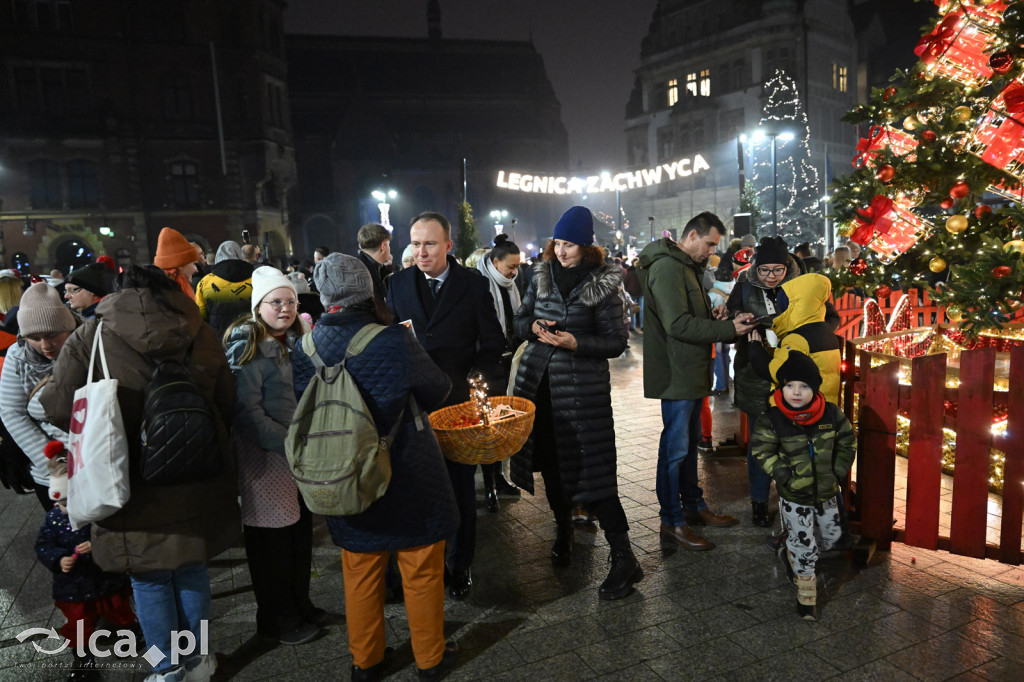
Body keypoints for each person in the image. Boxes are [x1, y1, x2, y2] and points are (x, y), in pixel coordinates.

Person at [40, 265, 240, 682]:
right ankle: (200, 661)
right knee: (190, 569)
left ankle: (167, 669)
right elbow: (225, 399)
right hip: (196, 474)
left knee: (149, 580)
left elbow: (59, 408)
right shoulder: (200, 331)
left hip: (129, 480)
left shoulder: (92, 335)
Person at [291, 252, 461, 680]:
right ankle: (430, 659)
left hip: (344, 473)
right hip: (408, 469)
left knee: (361, 569)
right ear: (367, 292)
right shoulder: (392, 339)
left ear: (325, 294)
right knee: (420, 566)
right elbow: (439, 389)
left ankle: (365, 662)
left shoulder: (305, 346)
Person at [510, 206, 641, 600]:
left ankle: (623, 557)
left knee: (595, 473)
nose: (563, 251)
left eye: (571, 244)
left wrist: (576, 342)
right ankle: (563, 529)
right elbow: (519, 321)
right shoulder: (541, 274)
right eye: (559, 243)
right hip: (540, 387)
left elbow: (617, 342)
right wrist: (533, 327)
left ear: (587, 247)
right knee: (550, 464)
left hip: (583, 393)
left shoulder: (604, 284)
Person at [386, 211, 504, 600]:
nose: (421, 252)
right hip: (414, 405)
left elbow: (492, 341)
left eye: (430, 244)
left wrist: (475, 382)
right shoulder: (397, 284)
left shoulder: (472, 285)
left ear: (448, 246)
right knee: (419, 488)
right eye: (416, 243)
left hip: (457, 404)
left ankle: (461, 562)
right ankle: (427, 563)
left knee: (459, 488)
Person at [637, 211, 757, 551]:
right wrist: (729, 328)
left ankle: (693, 506)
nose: (711, 252)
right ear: (691, 236)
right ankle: (671, 520)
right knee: (674, 451)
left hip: (690, 371)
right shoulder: (667, 268)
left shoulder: (686, 267)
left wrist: (716, 315)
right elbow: (677, 325)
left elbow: (688, 316)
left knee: (688, 447)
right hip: (677, 374)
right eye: (709, 244)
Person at [222, 266, 326, 646]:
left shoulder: (295, 341)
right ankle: (277, 618)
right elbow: (248, 412)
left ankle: (301, 605)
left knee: (298, 535)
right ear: (258, 306)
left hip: (295, 455)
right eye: (275, 302)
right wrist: (289, 443)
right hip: (266, 460)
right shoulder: (248, 347)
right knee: (272, 546)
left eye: (290, 301)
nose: (284, 308)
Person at [751, 351, 855, 620]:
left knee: (829, 539)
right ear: (781, 388)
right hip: (795, 494)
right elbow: (763, 450)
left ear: (815, 389)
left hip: (828, 492)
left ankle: (787, 551)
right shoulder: (772, 419)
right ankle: (806, 595)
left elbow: (847, 442)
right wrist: (784, 476)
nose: (796, 392)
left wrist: (837, 471)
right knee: (804, 542)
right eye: (789, 385)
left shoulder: (831, 414)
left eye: (804, 386)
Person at [35, 441, 138, 681]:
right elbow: (43, 545)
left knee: (119, 610)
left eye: (71, 501)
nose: (67, 508)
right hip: (73, 586)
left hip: (104, 578)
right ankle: (84, 659)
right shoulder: (53, 520)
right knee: (79, 624)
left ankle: (130, 634)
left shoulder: (95, 513)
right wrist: (59, 559)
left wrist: (96, 545)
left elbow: (112, 534)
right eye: (61, 503)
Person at [727, 236, 803, 527]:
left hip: (792, 376)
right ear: (755, 268)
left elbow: (827, 318)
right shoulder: (744, 286)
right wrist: (739, 317)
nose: (770, 277)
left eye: (777, 270)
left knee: (791, 441)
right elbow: (731, 318)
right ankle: (759, 502)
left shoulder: (801, 286)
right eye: (764, 270)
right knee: (760, 443)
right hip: (754, 373)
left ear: (787, 268)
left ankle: (792, 500)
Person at [0, 283, 78, 510]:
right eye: (33, 337)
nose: (45, 346)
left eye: (52, 335)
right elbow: (12, 412)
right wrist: (52, 466)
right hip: (52, 474)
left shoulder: (90, 347)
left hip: (97, 465)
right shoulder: (17, 355)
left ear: (68, 328)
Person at [475, 234, 523, 511]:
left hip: (509, 362)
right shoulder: (479, 283)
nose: (514, 272)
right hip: (487, 365)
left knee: (503, 422)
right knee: (486, 425)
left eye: (517, 267)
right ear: (495, 262)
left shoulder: (512, 285)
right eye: (510, 266)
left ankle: (501, 476)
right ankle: (489, 483)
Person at [195, 240, 255, 338]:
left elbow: (201, 314)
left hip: (218, 339)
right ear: (239, 255)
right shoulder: (254, 279)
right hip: (249, 337)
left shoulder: (205, 282)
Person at [153, 226, 200, 300]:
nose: (196, 270)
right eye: (193, 264)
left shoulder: (158, 293)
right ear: (180, 266)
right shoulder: (177, 298)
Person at [356, 223, 393, 307]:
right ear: (383, 246)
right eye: (389, 245)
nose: (389, 249)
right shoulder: (363, 272)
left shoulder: (356, 268)